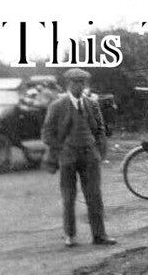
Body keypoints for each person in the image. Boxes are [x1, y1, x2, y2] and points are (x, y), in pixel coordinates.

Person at [41, 69, 115, 247]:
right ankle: (70, 235)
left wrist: (98, 151)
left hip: (89, 156)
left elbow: (100, 130)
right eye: (75, 82)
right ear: (68, 84)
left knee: (95, 196)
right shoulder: (58, 105)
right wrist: (62, 148)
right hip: (68, 158)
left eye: (82, 83)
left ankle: (99, 235)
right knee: (69, 197)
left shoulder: (91, 104)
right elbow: (47, 133)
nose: (79, 86)